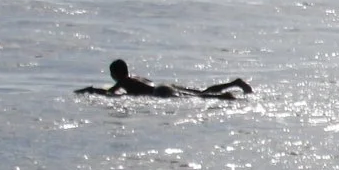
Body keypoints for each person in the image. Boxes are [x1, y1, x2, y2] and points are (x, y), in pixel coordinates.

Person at [77, 58, 252, 99]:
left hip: (160, 92)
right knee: (200, 92)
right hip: (163, 86)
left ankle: (223, 97)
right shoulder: (134, 77)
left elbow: (109, 93)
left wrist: (90, 90)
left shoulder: (123, 81)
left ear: (115, 74)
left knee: (198, 97)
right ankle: (234, 83)